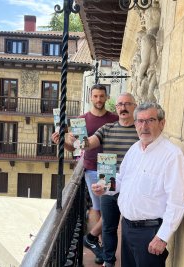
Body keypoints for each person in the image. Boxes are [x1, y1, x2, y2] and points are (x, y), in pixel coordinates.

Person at [92, 102, 184, 267]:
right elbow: (122, 179)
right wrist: (105, 187)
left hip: (150, 234)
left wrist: (162, 237)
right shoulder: (135, 149)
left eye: (150, 120)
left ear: (162, 123)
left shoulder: (172, 156)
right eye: (140, 121)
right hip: (127, 228)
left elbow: (176, 202)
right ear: (135, 124)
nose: (144, 126)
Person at [71, 92, 139, 267]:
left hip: (134, 186)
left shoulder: (141, 130)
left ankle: (132, 260)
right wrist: (73, 140)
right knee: (109, 226)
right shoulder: (107, 129)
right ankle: (109, 261)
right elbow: (87, 143)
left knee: (133, 227)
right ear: (116, 108)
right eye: (120, 104)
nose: (123, 107)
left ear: (134, 107)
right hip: (109, 183)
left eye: (127, 104)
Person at [52, 84, 118, 264]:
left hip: (110, 166)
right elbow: (74, 149)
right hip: (90, 168)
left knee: (111, 208)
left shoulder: (115, 118)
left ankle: (93, 238)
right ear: (91, 98)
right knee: (98, 208)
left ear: (106, 97)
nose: (98, 100)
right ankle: (100, 245)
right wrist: (61, 143)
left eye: (101, 96)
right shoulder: (82, 120)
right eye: (95, 96)